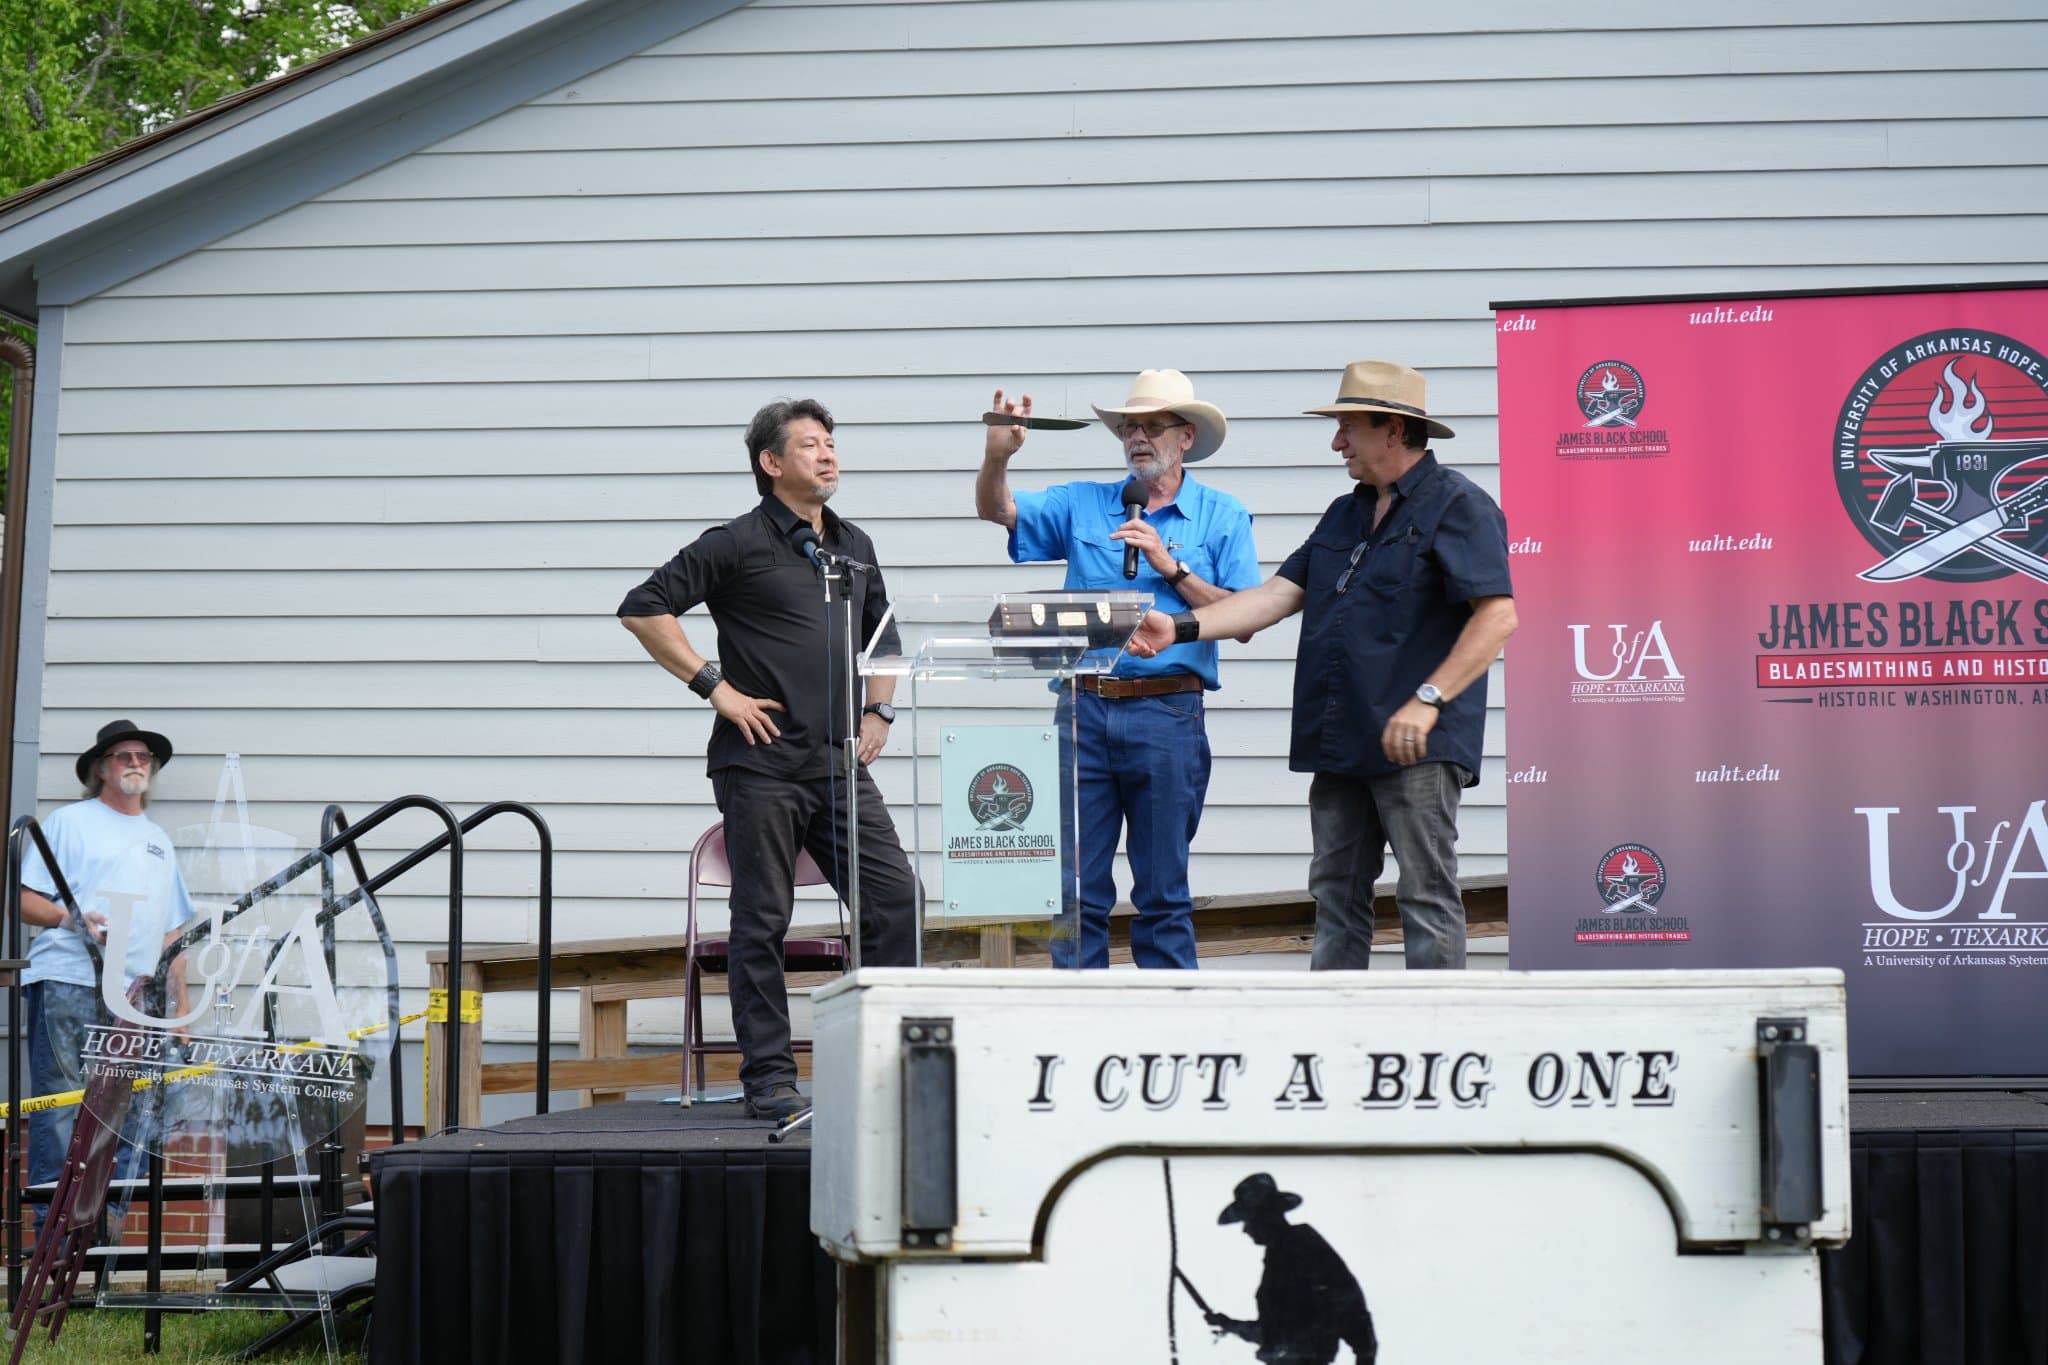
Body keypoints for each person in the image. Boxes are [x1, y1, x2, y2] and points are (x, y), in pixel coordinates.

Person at [1129, 361, 1516, 970]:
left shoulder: (1460, 505)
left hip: (1418, 744)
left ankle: (1437, 1042)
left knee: (1425, 894)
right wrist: (1177, 627)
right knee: (1334, 895)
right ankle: (1337, 1039)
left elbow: (1498, 617)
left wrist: (1428, 699)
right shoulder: (1345, 511)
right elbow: (1276, 596)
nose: (1337, 442)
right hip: (1341, 740)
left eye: (1348, 428)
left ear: (1392, 430)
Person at [618, 398, 918, 1120]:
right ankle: (770, 1079)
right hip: (760, 764)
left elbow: (885, 641)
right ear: (771, 462)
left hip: (839, 763)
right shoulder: (737, 542)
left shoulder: (853, 545)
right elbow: (642, 606)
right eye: (811, 444)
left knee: (896, 897)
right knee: (762, 918)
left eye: (832, 443)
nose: (829, 454)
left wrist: (878, 711)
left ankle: (883, 1063)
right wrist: (715, 687)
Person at [976, 371, 1262, 970]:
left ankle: (1165, 1038)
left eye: (1152, 426)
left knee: (1162, 893)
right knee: (1074, 891)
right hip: (1084, 710)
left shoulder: (1223, 515)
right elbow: (997, 510)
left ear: (1185, 437)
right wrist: (997, 458)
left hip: (1168, 711)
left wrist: (1171, 566)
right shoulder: (1084, 501)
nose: (1137, 436)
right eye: (1129, 426)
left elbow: (1243, 620)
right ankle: (1079, 1035)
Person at [19, 718, 197, 1232]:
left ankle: (105, 1228)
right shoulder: (70, 822)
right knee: (61, 1103)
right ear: (100, 768)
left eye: (144, 756)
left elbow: (172, 936)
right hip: (71, 977)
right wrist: (69, 918)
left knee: (137, 1103)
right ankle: (54, 1231)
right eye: (124, 755)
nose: (136, 763)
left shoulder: (158, 840)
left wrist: (180, 1012)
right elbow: (23, 898)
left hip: (138, 995)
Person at [1204, 1172, 1378, 1364]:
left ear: (1265, 1217)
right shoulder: (1287, 1253)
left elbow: (1348, 1306)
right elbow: (1278, 1332)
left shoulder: (1300, 1250)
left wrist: (1232, 1326)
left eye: (1248, 1220)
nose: (1245, 1229)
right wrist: (1230, 1325)